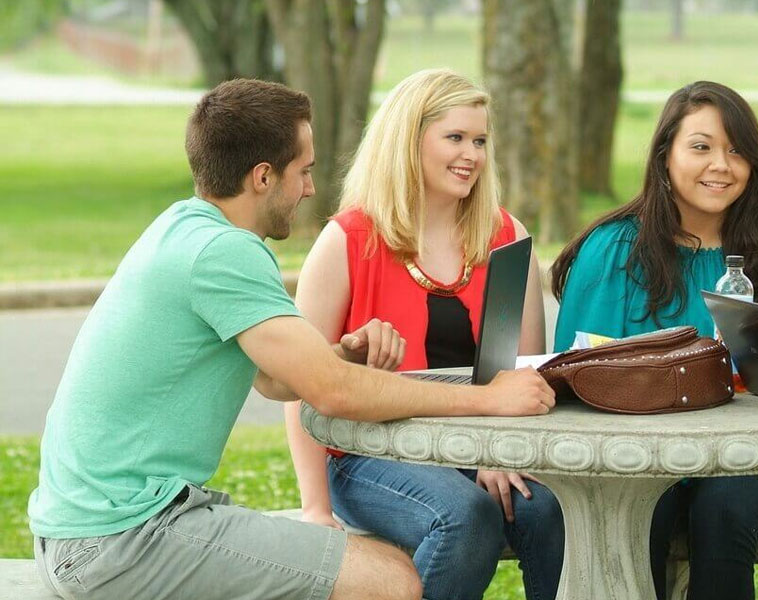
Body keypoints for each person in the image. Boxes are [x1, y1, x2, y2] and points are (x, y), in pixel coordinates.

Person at [27, 78, 555, 600]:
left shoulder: (184, 228)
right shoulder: (226, 254)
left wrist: (341, 354)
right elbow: (333, 393)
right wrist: (487, 399)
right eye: (303, 172)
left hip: (102, 527)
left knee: (393, 567)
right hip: (123, 538)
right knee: (391, 580)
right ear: (263, 177)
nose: (309, 189)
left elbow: (276, 378)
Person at [550, 81, 758, 600]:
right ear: (665, 155)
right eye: (701, 147)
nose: (721, 166)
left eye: (737, 151)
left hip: (756, 456)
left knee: (724, 510)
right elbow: (579, 372)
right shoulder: (612, 250)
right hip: (637, 456)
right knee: (640, 512)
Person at [284, 69, 565, 600]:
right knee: (465, 515)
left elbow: (523, 377)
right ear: (407, 141)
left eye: (480, 141)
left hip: (479, 445)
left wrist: (501, 453)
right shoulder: (348, 239)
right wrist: (315, 507)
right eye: (455, 137)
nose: (471, 155)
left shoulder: (506, 237)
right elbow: (299, 382)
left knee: (547, 510)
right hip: (368, 453)